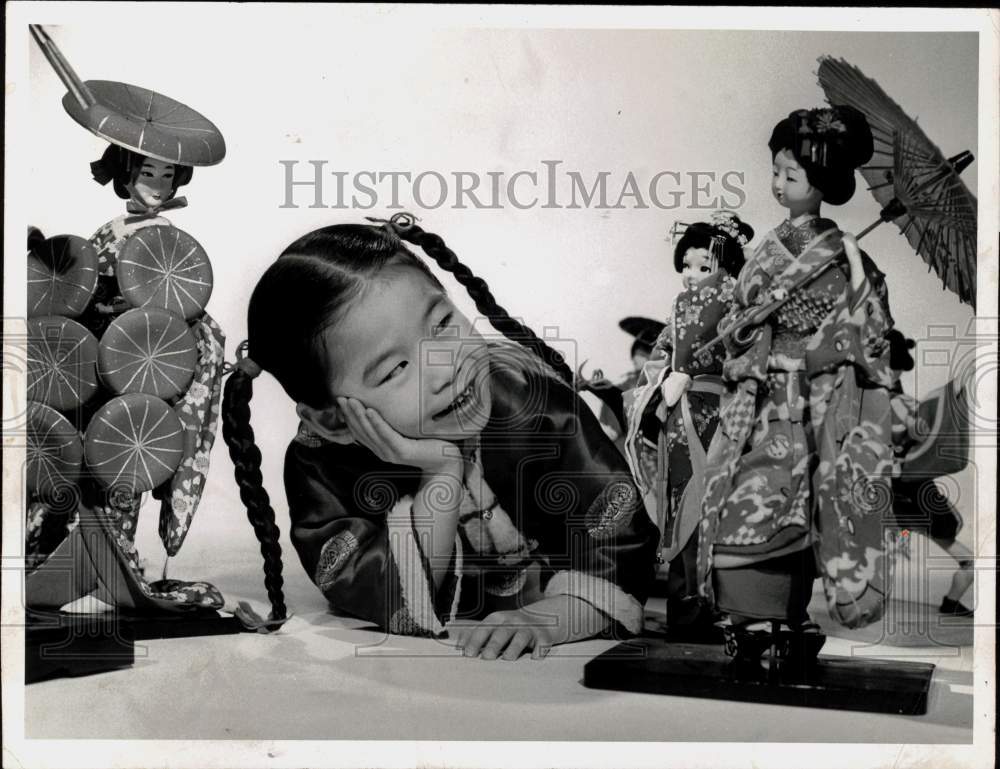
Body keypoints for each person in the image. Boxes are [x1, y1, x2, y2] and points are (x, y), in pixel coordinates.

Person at [221, 214, 660, 659]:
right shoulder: (320, 464)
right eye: (395, 369)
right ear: (333, 421)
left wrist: (555, 616)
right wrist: (441, 474)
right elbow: (373, 589)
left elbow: (617, 532)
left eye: (443, 324)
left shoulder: (528, 396)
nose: (445, 367)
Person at [697, 105, 900, 662]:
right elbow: (737, 315)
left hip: (813, 401)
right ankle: (748, 618)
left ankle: (783, 620)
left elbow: (872, 329)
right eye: (776, 171)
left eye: (791, 174)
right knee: (740, 496)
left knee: (797, 506)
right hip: (757, 400)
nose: (778, 183)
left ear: (823, 184)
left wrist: (822, 340)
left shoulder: (848, 254)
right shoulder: (768, 246)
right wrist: (746, 323)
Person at [623, 210, 752, 637]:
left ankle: (706, 607)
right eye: (686, 266)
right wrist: (665, 378)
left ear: (727, 268)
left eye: (703, 266)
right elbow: (660, 353)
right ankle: (694, 610)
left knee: (707, 507)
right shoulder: (690, 304)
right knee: (694, 507)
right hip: (692, 415)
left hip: (717, 409)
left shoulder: (735, 302)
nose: (691, 275)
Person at [885, 330, 975, 617]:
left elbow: (917, 428)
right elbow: (918, 427)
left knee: (970, 561)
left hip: (900, 491)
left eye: (894, 371)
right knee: (969, 561)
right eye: (892, 370)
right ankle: (950, 603)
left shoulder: (888, 404)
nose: (893, 375)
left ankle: (950, 603)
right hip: (905, 491)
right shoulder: (894, 405)